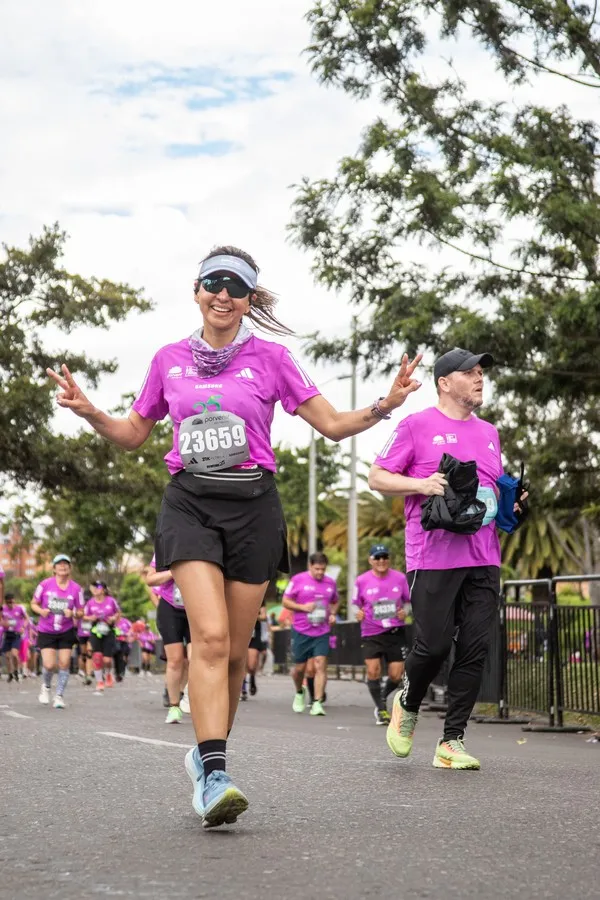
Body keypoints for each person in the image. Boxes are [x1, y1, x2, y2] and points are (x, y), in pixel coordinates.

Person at [47, 243, 421, 828]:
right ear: (197, 291)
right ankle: (216, 773)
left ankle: (207, 760)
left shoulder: (272, 359)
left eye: (237, 287)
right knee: (213, 638)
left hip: (254, 508)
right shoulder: (167, 358)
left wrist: (384, 403)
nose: (224, 294)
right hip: (190, 503)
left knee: (235, 658)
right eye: (214, 283)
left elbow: (331, 424)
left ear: (249, 301)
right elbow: (132, 433)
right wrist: (91, 412)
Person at [369, 347, 527, 770]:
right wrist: (421, 486)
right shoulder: (416, 425)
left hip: (484, 556)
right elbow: (377, 476)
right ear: (444, 382)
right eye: (470, 373)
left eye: (481, 373)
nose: (479, 379)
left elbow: (489, 488)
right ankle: (408, 701)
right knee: (434, 644)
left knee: (475, 648)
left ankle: (451, 741)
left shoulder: (490, 432)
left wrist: (512, 500)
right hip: (433, 556)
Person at [353, 544, 411, 725]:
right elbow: (355, 603)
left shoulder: (400, 578)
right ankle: (381, 709)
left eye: (384, 557)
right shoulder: (362, 580)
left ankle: (382, 699)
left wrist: (406, 612)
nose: (381, 561)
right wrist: (358, 613)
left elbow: (409, 601)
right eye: (377, 557)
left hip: (394, 631)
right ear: (371, 560)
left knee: (396, 674)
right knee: (373, 670)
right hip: (371, 632)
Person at [283, 553, 339, 716]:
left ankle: (317, 702)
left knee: (320, 664)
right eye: (317, 569)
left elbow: (335, 601)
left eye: (323, 569)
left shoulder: (330, 583)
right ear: (310, 566)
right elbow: (285, 601)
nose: (320, 572)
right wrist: (303, 607)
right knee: (299, 669)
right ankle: (300, 691)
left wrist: (333, 614)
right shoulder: (298, 580)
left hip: (322, 631)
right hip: (301, 630)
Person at [30, 554, 83, 708]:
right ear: (54, 569)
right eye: (59, 564)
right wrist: (41, 611)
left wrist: (72, 613)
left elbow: (81, 611)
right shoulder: (45, 585)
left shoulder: (76, 588)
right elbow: (33, 603)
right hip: (46, 630)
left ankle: (59, 696)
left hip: (66, 630)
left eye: (65, 564)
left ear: (69, 568)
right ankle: (46, 687)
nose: (62, 567)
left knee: (65, 663)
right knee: (48, 664)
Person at [145, 557, 191, 723]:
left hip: (196, 607)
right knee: (175, 660)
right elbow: (150, 579)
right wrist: (174, 572)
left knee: (196, 659)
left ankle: (188, 693)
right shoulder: (166, 545)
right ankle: (174, 706)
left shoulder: (204, 541)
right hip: (170, 608)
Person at [83, 581, 120, 692]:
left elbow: (118, 613)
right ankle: (99, 681)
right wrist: (91, 618)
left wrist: (113, 618)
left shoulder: (111, 601)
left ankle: (108, 674)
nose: (95, 589)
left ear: (103, 589)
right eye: (94, 587)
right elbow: (84, 616)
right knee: (97, 657)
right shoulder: (90, 603)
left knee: (107, 660)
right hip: (95, 631)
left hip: (109, 631)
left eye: (98, 587)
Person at [241, 603, 267, 700]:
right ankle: (243, 689)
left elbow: (264, 616)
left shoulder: (260, 600)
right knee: (241, 662)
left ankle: (252, 677)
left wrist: (252, 615)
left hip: (254, 635)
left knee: (251, 666)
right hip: (240, 632)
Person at [1, 593, 29, 683]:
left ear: (14, 601)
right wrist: (3, 623)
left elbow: (26, 618)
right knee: (8, 656)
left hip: (16, 634)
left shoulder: (19, 608)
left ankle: (16, 671)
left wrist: (23, 627)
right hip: (7, 634)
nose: (10, 604)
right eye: (8, 603)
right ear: (6, 602)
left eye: (12, 602)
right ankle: (10, 674)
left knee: (14, 654)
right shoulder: (3, 608)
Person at [114, 613, 133, 681]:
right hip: (115, 641)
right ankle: (118, 672)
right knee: (117, 657)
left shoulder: (125, 621)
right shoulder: (112, 621)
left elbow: (132, 628)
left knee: (124, 657)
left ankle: (122, 671)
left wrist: (129, 634)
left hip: (125, 641)